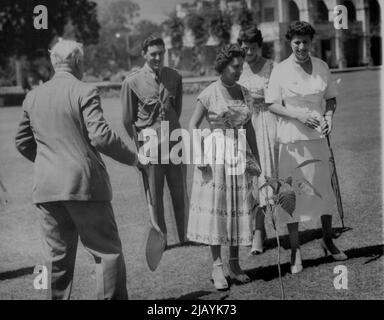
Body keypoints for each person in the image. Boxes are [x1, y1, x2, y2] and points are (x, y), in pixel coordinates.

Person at [15, 39, 144, 299]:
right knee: (106, 252)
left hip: (46, 189)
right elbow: (101, 137)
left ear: (53, 63)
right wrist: (135, 158)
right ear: (77, 62)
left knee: (54, 259)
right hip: (84, 186)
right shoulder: (85, 91)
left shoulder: (32, 96)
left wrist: (47, 163)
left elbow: (22, 142)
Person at [265, 21, 347, 274]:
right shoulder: (280, 70)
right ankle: (295, 250)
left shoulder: (322, 66)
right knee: (291, 195)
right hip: (291, 142)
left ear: (311, 42)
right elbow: (272, 104)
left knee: (323, 190)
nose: (301, 47)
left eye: (305, 42)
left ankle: (327, 239)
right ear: (289, 43)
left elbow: (330, 98)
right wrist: (298, 116)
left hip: (318, 140)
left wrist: (329, 117)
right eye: (296, 42)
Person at [187, 44, 261, 290]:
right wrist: (199, 156)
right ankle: (217, 266)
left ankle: (235, 263)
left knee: (239, 207)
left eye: (242, 66)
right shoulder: (209, 93)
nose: (240, 71)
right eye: (235, 67)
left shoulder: (245, 92)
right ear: (223, 65)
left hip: (239, 154)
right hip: (216, 156)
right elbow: (193, 125)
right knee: (218, 210)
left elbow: (249, 128)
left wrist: (257, 159)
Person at [120, 35, 188, 245]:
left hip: (174, 141)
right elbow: (127, 119)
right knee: (154, 194)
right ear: (144, 54)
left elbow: (176, 109)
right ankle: (162, 239)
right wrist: (139, 147)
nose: (158, 57)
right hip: (149, 144)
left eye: (161, 53)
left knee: (179, 191)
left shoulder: (174, 77)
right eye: (153, 54)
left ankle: (185, 236)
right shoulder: (132, 82)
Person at [237, 24, 278, 255]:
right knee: (245, 180)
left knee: (262, 176)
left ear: (259, 46)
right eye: (245, 48)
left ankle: (260, 232)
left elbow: (279, 99)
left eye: (252, 48)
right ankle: (250, 229)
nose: (249, 53)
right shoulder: (237, 69)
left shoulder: (272, 67)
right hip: (243, 125)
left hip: (265, 125)